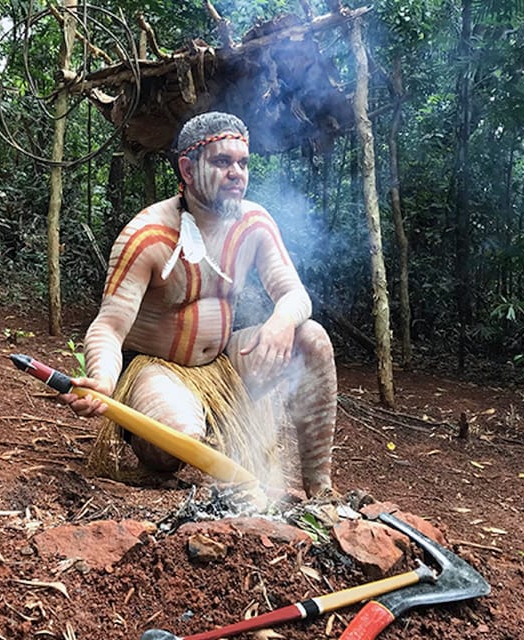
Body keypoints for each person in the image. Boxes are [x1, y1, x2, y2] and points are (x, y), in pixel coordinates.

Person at [63, 111, 337, 498]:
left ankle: (320, 490)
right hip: (159, 371)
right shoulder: (147, 234)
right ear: (188, 170)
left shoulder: (254, 223)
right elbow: (109, 325)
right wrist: (104, 381)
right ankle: (160, 433)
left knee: (312, 338)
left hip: (226, 366)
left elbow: (295, 295)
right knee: (178, 440)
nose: (237, 173)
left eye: (243, 163)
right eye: (222, 162)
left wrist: (281, 320)